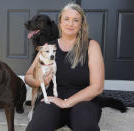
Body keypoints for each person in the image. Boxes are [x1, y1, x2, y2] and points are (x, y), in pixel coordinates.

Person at [24, 2, 104, 131]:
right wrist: (39, 81)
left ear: (81, 24)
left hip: (83, 102)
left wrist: (66, 102)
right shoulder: (48, 47)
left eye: (75, 20)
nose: (70, 24)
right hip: (52, 100)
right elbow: (28, 76)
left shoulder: (91, 46)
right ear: (60, 22)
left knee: (86, 126)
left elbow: (97, 87)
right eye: (66, 19)